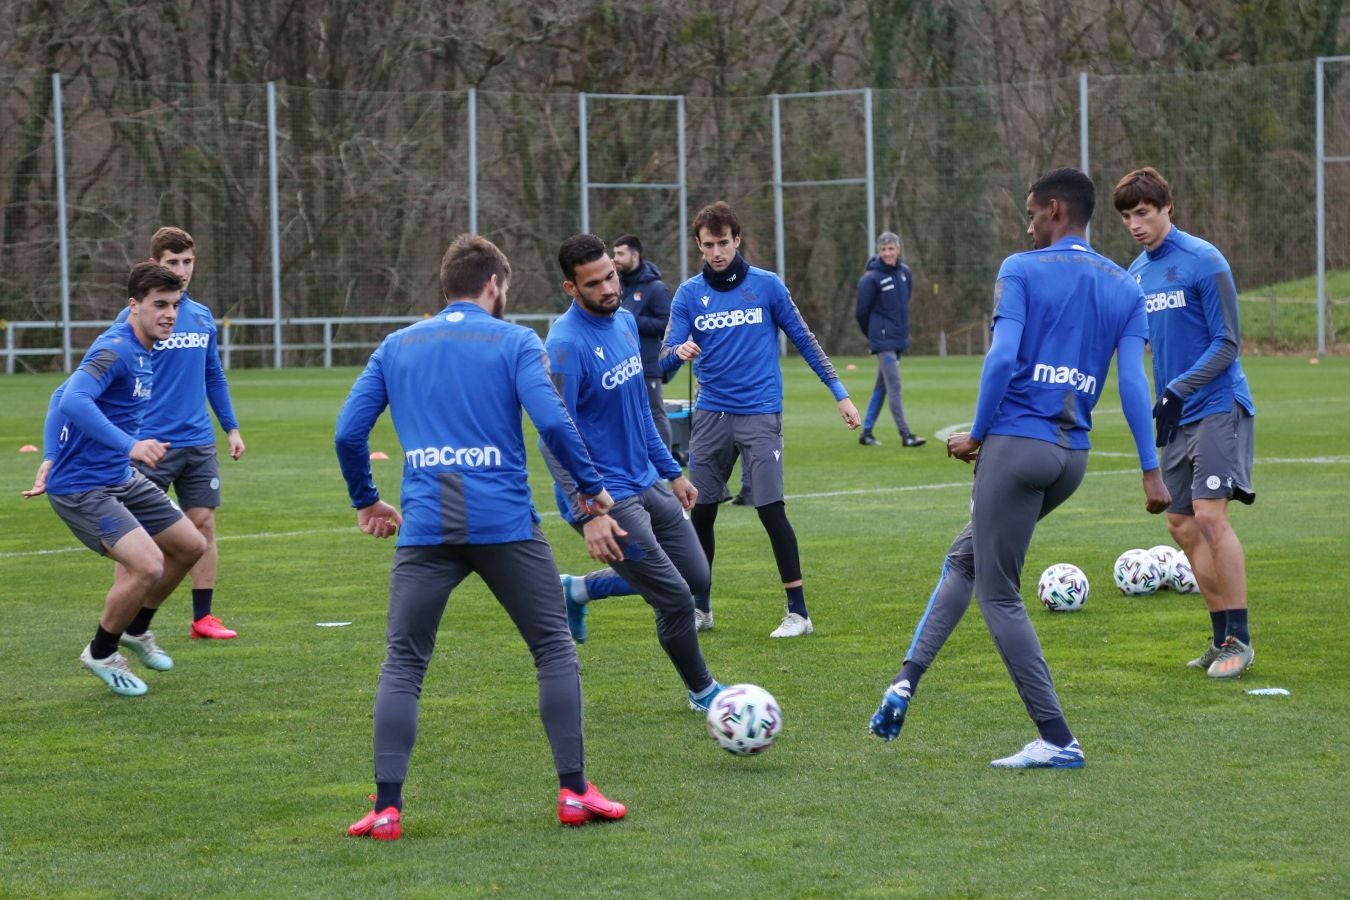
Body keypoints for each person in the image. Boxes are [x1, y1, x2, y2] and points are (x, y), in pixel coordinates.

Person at [866, 168, 1170, 768]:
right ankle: (905, 680)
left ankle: (1057, 738)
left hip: (1016, 448)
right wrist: (1149, 468)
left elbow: (1002, 357)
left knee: (999, 594)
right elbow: (1135, 384)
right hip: (1071, 458)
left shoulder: (1021, 269)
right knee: (967, 557)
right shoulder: (1125, 286)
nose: (1028, 227)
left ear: (1054, 209)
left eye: (1031, 214)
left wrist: (979, 435)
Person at [335, 234, 625, 841]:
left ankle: (387, 808)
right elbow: (552, 422)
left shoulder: (396, 345)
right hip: (505, 524)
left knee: (403, 664)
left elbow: (348, 432)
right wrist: (591, 488)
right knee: (553, 649)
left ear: (447, 286)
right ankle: (574, 792)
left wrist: (366, 498)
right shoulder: (516, 341)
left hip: (426, 527)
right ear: (495, 284)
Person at [661, 201, 861, 637]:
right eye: (708, 245)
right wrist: (678, 352)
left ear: (738, 240)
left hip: (760, 414)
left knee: (771, 510)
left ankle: (799, 614)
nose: (717, 252)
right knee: (702, 514)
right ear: (698, 245)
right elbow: (663, 361)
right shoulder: (688, 295)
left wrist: (840, 393)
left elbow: (804, 339)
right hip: (711, 416)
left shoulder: (767, 286)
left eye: (723, 243)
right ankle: (700, 608)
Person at [542, 234, 724, 711]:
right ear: (571, 288)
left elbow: (641, 410)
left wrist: (673, 472)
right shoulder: (564, 345)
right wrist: (588, 509)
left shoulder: (624, 321)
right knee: (675, 598)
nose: (608, 288)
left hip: (646, 479)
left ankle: (578, 589)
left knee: (696, 575)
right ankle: (703, 692)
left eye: (611, 276)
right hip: (605, 497)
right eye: (593, 283)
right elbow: (551, 437)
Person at [32, 262, 208, 697]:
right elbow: (72, 399)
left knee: (191, 545)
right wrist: (127, 445)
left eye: (174, 305)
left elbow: (58, 395)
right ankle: (101, 652)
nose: (169, 314)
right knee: (147, 565)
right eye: (159, 305)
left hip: (119, 478)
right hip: (82, 487)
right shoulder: (116, 349)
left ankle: (136, 628)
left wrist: (51, 454)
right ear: (134, 306)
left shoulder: (146, 348)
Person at [1112, 167, 1257, 679]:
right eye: (1127, 216)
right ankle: (1220, 639)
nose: (1135, 224)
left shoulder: (1204, 260)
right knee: (1181, 525)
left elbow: (1228, 343)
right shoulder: (1135, 274)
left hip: (1217, 404)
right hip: (1174, 416)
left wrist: (1179, 388)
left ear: (1167, 208)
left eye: (1143, 213)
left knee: (1211, 517)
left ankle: (1241, 639)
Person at [113, 227, 246, 640]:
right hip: (148, 444)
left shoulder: (202, 316)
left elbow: (213, 375)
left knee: (203, 526)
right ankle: (121, 619)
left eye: (188, 262)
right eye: (173, 262)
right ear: (155, 264)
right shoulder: (134, 319)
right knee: (134, 536)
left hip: (198, 441)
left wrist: (231, 427)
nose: (182, 270)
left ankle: (203, 618)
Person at [855, 231, 925, 448]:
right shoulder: (871, 278)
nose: (887, 253)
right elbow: (861, 312)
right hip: (883, 341)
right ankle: (906, 435)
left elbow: (904, 303)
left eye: (891, 249)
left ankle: (866, 432)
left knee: (882, 386)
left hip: (898, 339)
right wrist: (875, 334)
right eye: (883, 249)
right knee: (894, 385)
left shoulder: (905, 273)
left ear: (898, 249)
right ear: (879, 251)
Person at [613, 233, 678, 458]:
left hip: (647, 363)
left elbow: (668, 324)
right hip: (619, 363)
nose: (615, 258)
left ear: (635, 255)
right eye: (614, 253)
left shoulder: (655, 288)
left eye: (620, 253)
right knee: (623, 414)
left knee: (654, 413)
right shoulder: (616, 285)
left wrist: (632, 320)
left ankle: (665, 465)